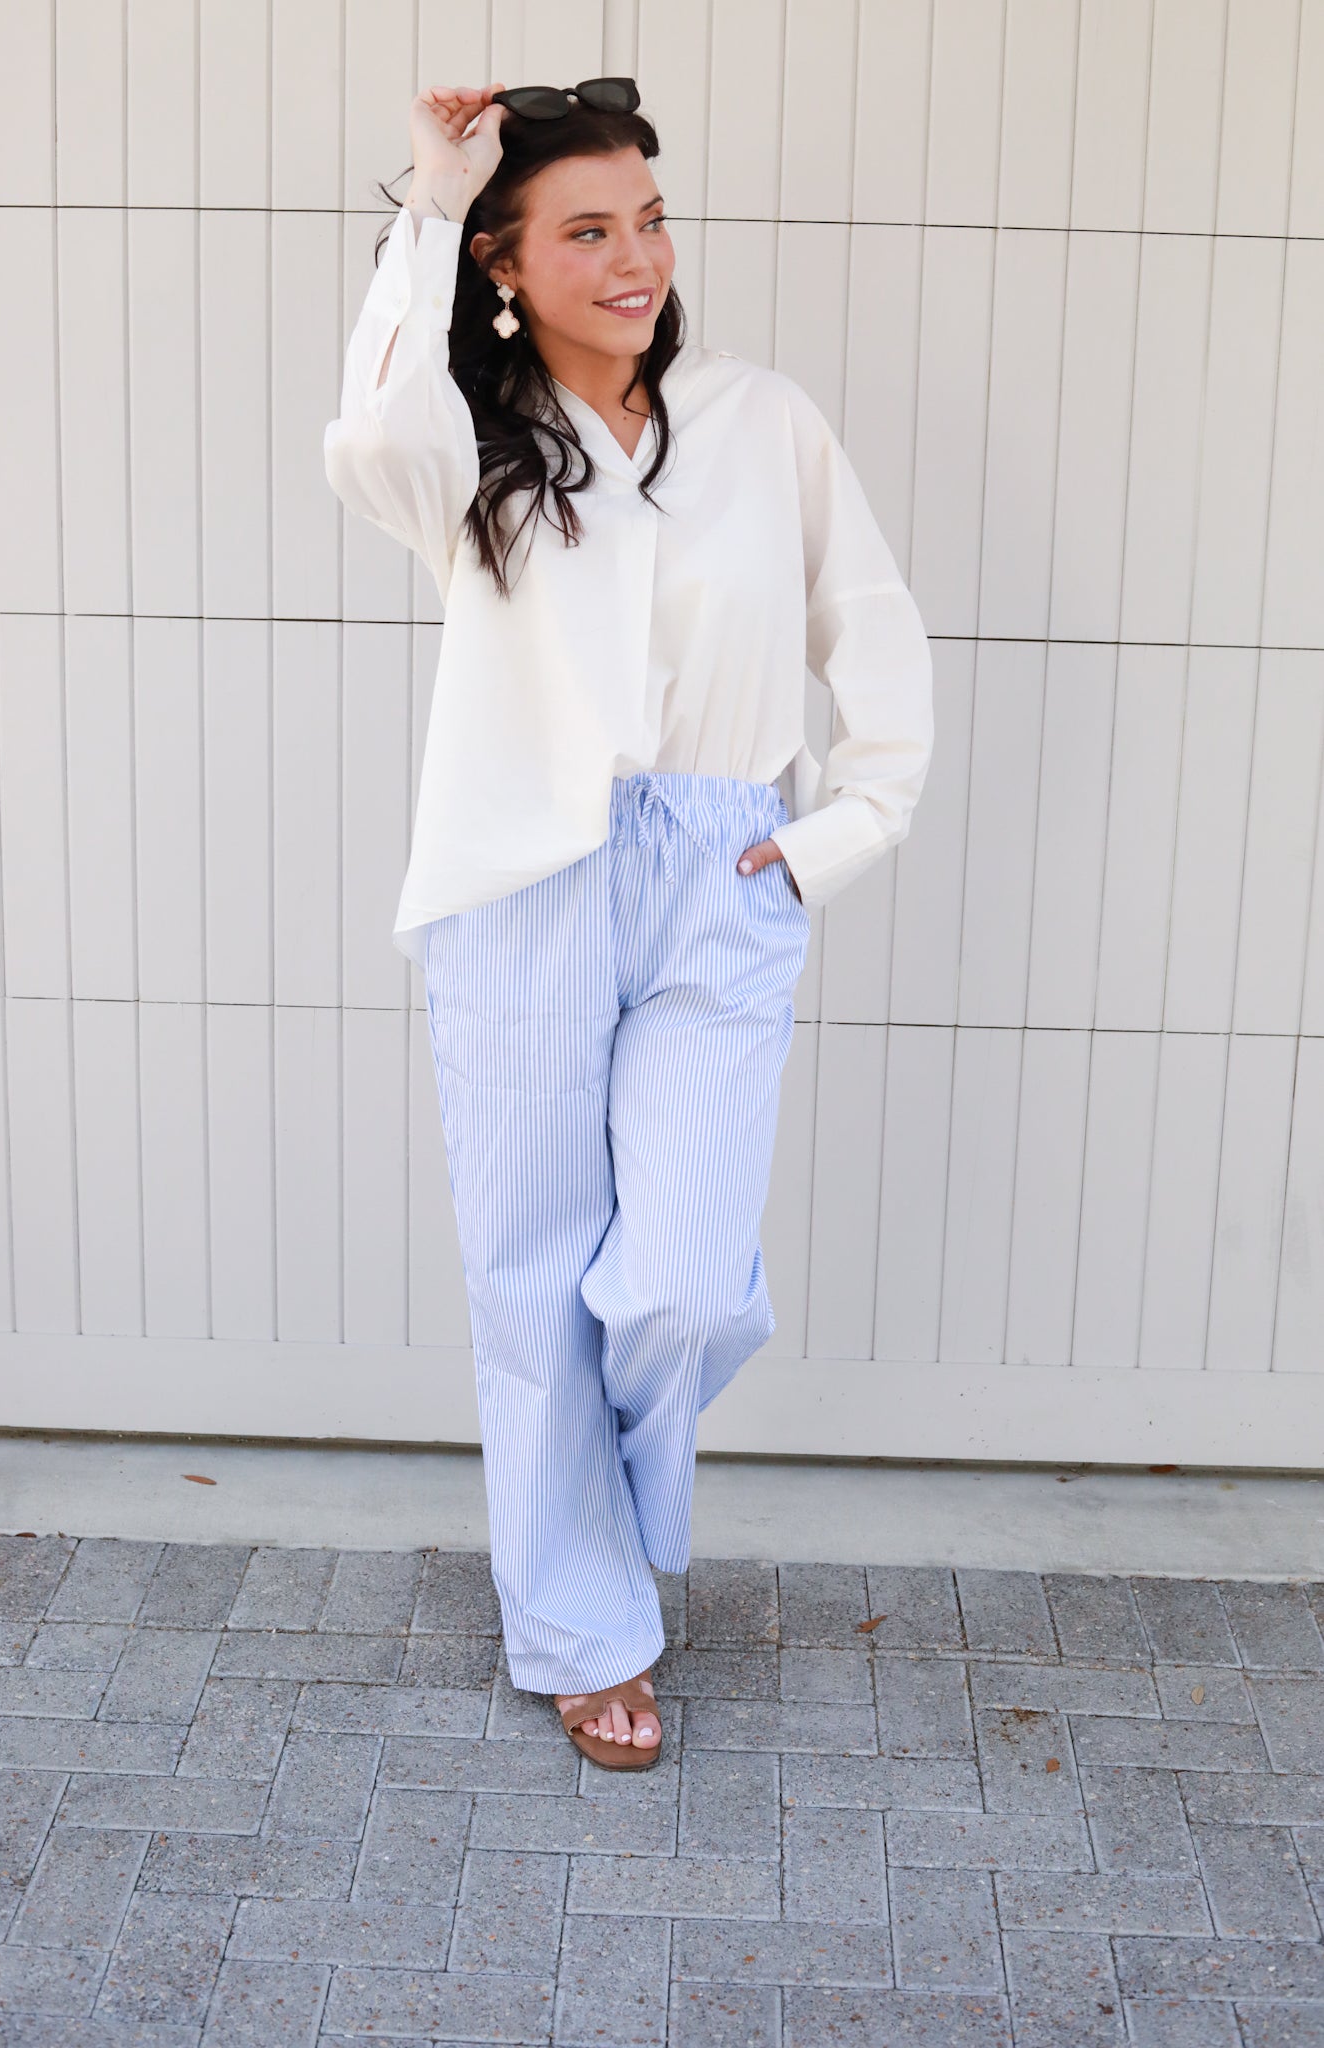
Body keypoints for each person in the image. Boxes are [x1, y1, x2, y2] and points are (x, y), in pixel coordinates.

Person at [323, 78, 934, 1769]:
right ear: (507, 266)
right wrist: (435, 197)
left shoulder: (760, 421)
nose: (636, 258)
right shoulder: (469, 433)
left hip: (722, 865)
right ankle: (586, 1624)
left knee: (674, 1287)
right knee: (529, 1281)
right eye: (587, 231)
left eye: (649, 221)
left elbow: (867, 632)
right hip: (524, 880)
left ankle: (583, 1509)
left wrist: (838, 834)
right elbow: (370, 439)